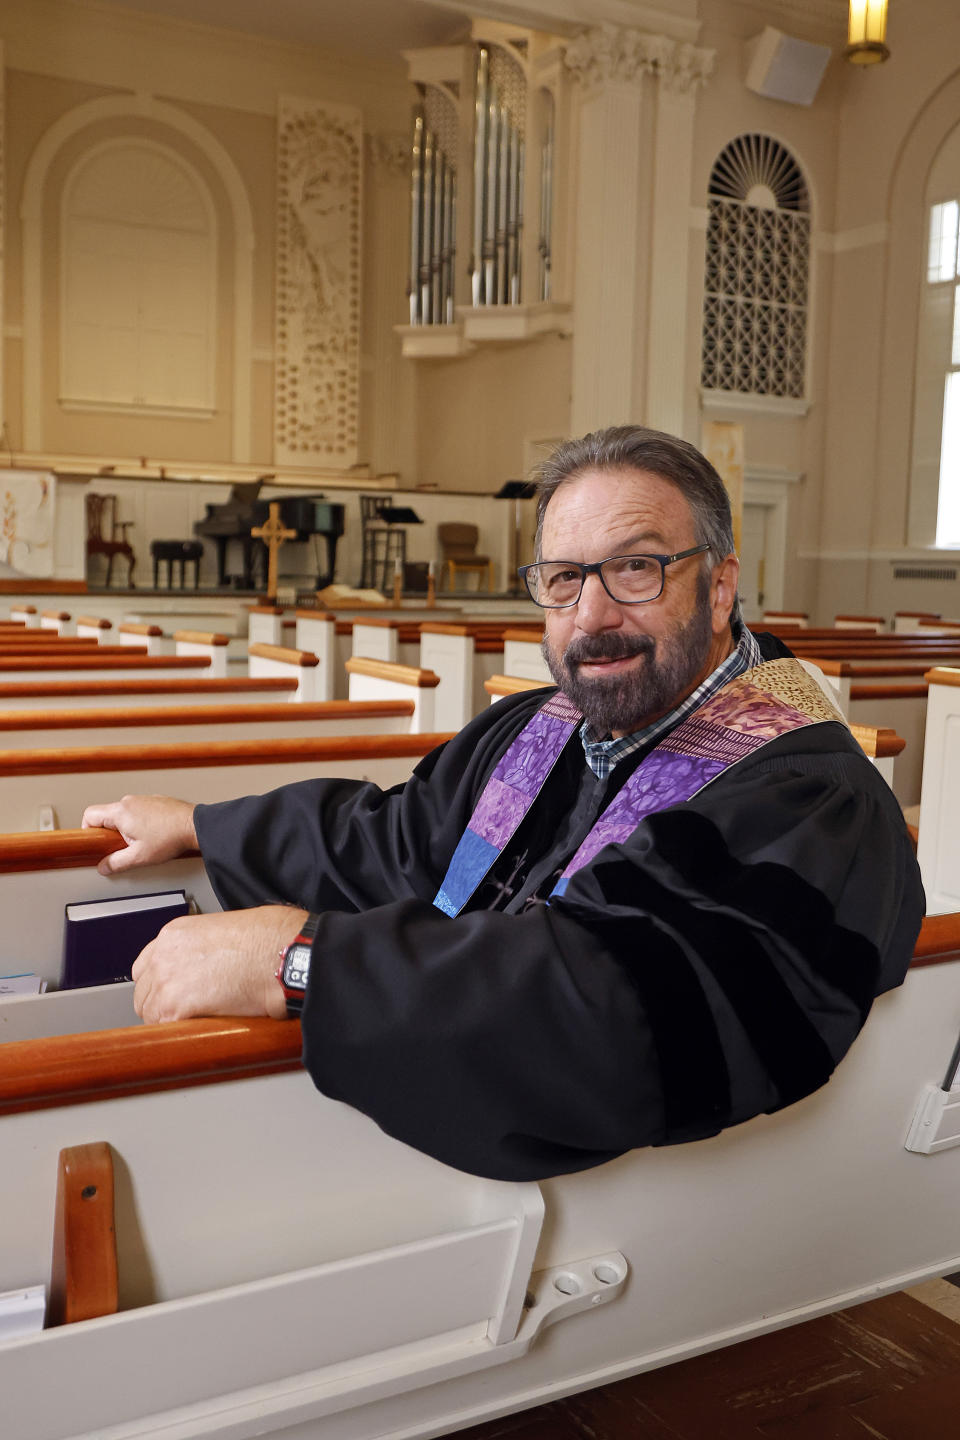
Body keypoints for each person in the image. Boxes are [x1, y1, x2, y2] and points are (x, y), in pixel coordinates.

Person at [82, 426, 925, 1182]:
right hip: (447, 1123)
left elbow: (612, 1010)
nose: (592, 616)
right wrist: (201, 824)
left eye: (635, 567)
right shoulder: (547, 722)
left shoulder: (805, 797)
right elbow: (397, 841)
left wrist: (300, 962)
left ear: (718, 586)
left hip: (610, 1213)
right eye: (562, 579)